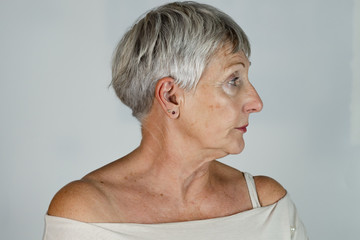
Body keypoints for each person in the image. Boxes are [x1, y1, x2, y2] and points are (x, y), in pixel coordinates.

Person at [43, 1, 308, 239]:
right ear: (170, 97)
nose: (256, 102)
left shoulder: (266, 204)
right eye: (233, 80)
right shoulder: (86, 212)